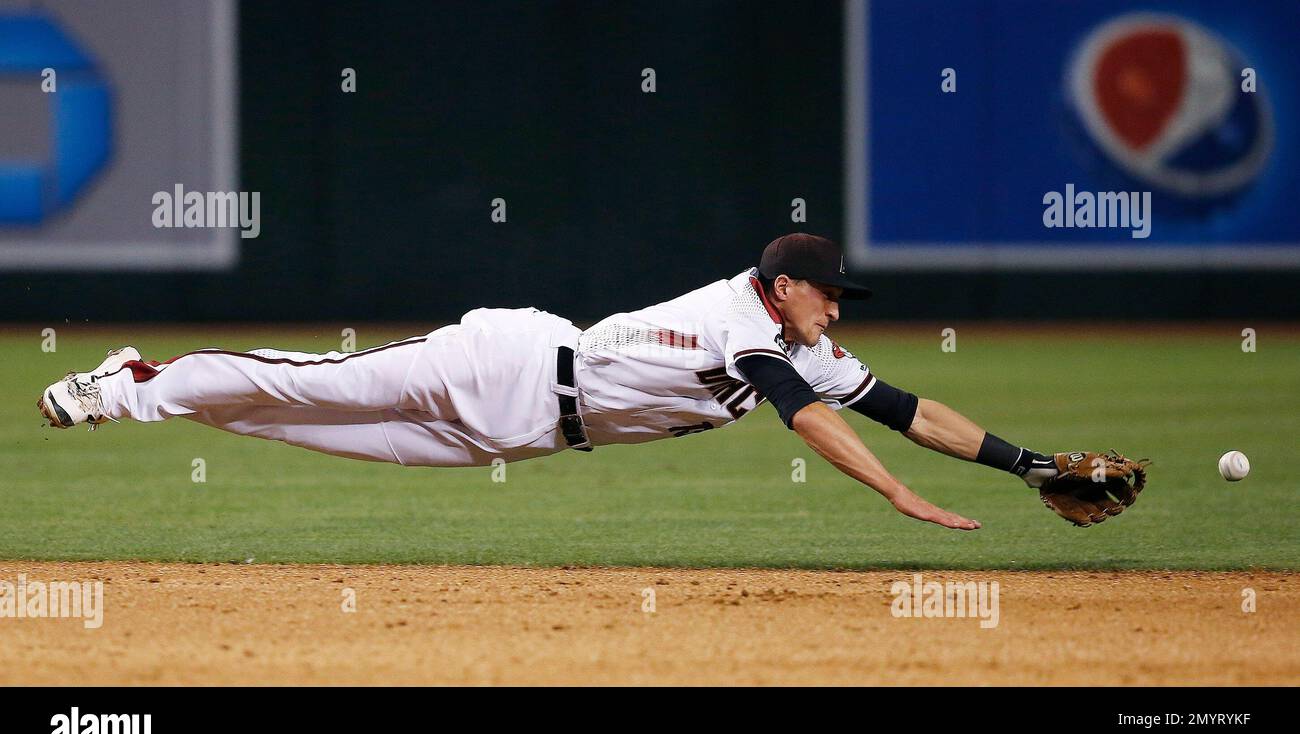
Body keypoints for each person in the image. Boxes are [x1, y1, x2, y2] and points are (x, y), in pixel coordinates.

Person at [38, 233, 1085, 532]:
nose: (837, 308)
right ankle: (136, 377)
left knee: (283, 426)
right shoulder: (744, 321)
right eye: (827, 294)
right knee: (316, 383)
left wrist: (1028, 465)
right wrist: (898, 495)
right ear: (780, 288)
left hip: (518, 436)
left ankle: (145, 395)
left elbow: (912, 410)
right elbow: (802, 416)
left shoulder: (808, 344)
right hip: (508, 362)